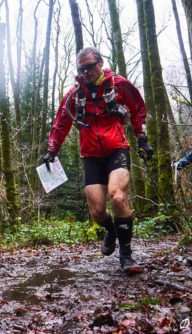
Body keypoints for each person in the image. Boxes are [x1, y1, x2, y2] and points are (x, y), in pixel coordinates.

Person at [42, 47, 153, 275]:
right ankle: (111, 231)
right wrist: (52, 150)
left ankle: (126, 255)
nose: (85, 72)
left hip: (117, 150)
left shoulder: (119, 85)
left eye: (89, 66)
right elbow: (61, 123)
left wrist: (142, 139)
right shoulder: (74, 95)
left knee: (118, 196)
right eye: (81, 68)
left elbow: (138, 109)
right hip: (91, 155)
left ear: (101, 63)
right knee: (97, 212)